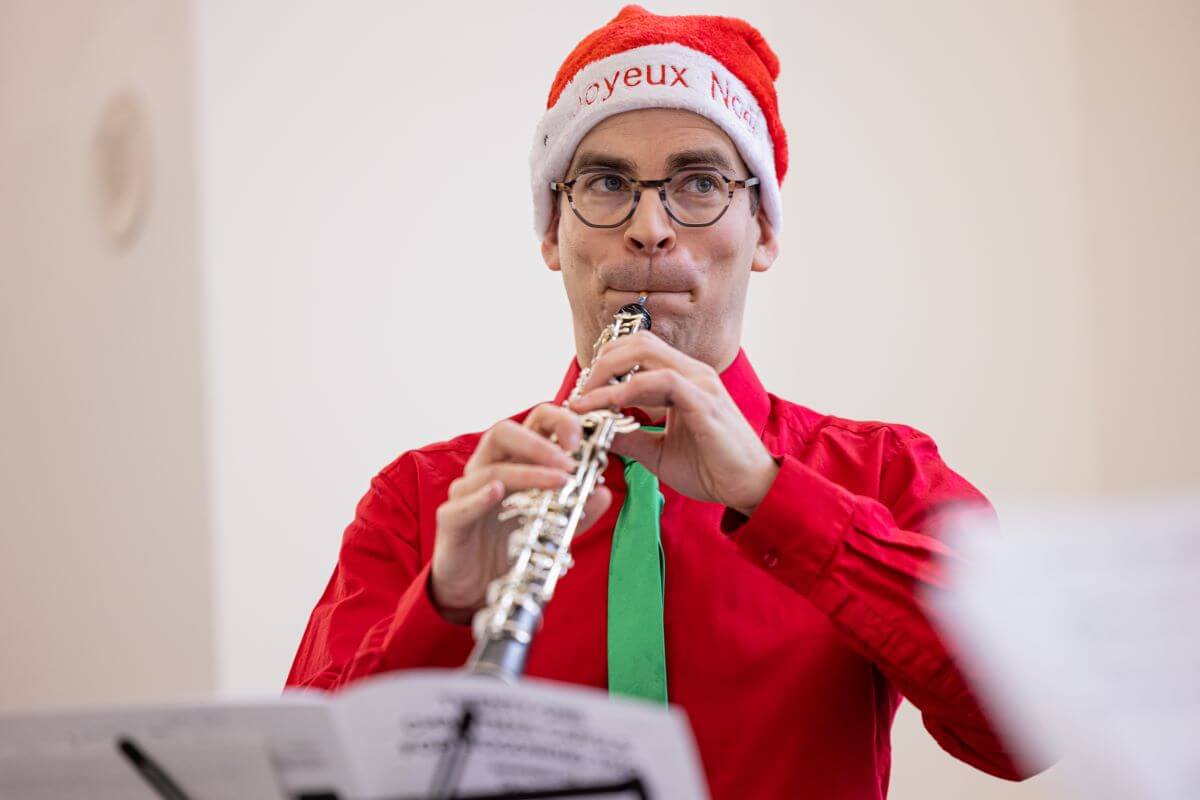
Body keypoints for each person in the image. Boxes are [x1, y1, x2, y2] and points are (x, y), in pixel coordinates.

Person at [287, 6, 1039, 798]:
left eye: (701, 183)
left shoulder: (885, 474)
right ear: (552, 233)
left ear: (764, 232)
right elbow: (301, 778)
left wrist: (774, 498)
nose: (649, 228)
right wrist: (445, 607)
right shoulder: (423, 499)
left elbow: (1025, 731)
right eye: (607, 183)